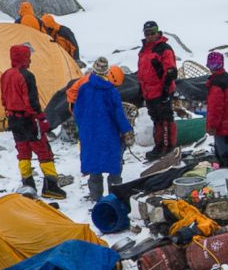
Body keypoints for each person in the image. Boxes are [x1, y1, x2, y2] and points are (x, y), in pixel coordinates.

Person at [0, 44, 66, 198]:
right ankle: (51, 186)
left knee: (23, 151)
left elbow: (3, 98)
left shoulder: (6, 75)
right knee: (44, 151)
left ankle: (28, 184)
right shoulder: (27, 76)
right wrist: (41, 119)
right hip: (28, 119)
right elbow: (31, 101)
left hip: (13, 118)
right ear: (25, 58)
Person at [74, 57, 134, 201]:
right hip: (109, 134)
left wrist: (82, 129)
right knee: (114, 166)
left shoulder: (83, 89)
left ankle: (96, 198)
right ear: (107, 73)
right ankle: (115, 197)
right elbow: (118, 114)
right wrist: (126, 130)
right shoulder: (111, 91)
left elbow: (77, 111)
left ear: (93, 71)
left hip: (90, 134)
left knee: (95, 167)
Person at [136, 20, 178, 161]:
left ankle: (168, 147)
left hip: (161, 91)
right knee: (156, 120)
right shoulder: (143, 50)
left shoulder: (163, 48)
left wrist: (166, 89)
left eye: (152, 33)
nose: (149, 36)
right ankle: (159, 146)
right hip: (149, 91)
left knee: (166, 119)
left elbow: (171, 70)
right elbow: (143, 71)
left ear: (157, 32)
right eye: (147, 33)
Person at [204, 51, 228, 168]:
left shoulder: (217, 83)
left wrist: (212, 126)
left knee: (224, 151)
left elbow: (216, 108)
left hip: (222, 125)